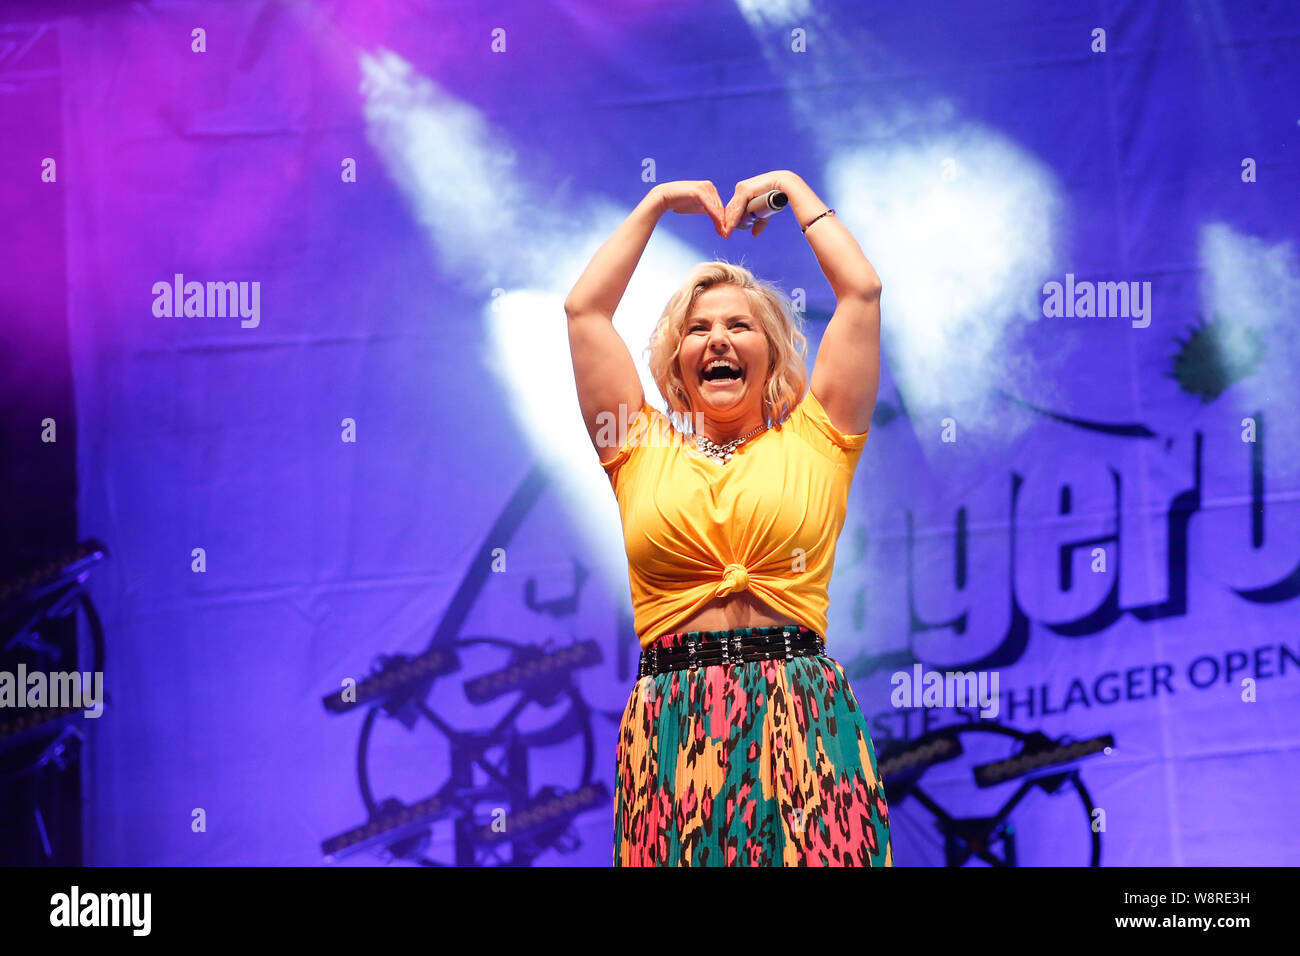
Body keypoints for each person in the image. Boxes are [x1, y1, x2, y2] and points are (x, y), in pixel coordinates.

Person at [564, 171, 892, 867]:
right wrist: (653, 204)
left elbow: (861, 293)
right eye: (698, 329)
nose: (717, 339)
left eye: (738, 325)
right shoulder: (635, 444)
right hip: (675, 725)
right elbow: (585, 312)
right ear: (676, 363)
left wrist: (795, 192)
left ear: (769, 352)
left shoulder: (819, 436)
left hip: (803, 713)